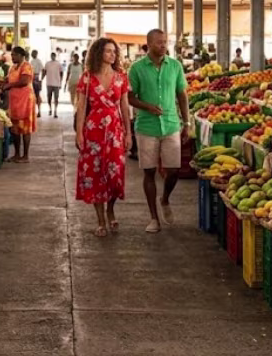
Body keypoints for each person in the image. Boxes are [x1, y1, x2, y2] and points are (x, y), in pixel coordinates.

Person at [128, 29, 189, 233]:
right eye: (159, 42)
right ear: (149, 44)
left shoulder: (175, 66)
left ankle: (165, 199)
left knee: (174, 170)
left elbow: (182, 95)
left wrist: (187, 123)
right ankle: (154, 218)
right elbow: (130, 97)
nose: (163, 45)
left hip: (171, 124)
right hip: (146, 126)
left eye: (165, 42)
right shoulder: (136, 69)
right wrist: (147, 107)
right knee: (149, 172)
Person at [74, 38, 131, 237]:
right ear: (99, 53)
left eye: (114, 51)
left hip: (115, 131)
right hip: (93, 131)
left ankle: (111, 209)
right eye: (108, 51)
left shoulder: (121, 77)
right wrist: (79, 133)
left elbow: (125, 107)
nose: (112, 55)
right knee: (95, 175)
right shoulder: (87, 78)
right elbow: (81, 107)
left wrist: (128, 133)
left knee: (115, 174)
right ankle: (100, 220)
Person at [5, 46, 37, 163]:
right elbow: (7, 80)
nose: (12, 57)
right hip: (15, 101)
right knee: (15, 128)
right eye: (12, 55)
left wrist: (10, 85)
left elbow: (25, 81)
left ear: (20, 55)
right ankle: (17, 154)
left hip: (25, 101)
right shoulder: (13, 67)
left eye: (14, 55)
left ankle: (25, 156)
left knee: (25, 128)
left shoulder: (26, 66)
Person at [44, 52, 63, 117]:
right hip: (49, 83)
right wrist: (41, 79)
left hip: (56, 84)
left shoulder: (58, 64)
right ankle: (50, 109)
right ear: (50, 56)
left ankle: (55, 111)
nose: (53, 57)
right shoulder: (47, 63)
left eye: (53, 56)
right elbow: (45, 72)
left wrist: (60, 82)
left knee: (56, 98)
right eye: (52, 56)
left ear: (55, 56)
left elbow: (61, 73)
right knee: (49, 97)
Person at [30, 50, 44, 117]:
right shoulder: (31, 61)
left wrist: (41, 79)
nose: (32, 54)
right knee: (32, 95)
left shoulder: (38, 61)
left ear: (36, 54)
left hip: (36, 77)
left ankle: (39, 111)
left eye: (33, 53)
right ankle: (33, 111)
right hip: (31, 78)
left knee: (37, 95)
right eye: (32, 53)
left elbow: (43, 70)